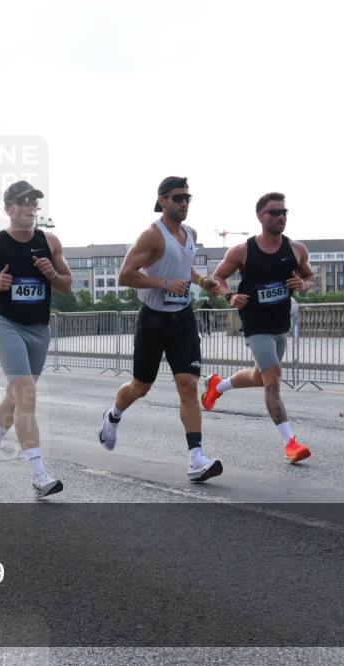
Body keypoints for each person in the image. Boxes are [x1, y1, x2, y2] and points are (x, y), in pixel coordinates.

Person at [98, 177, 223, 483]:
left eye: (188, 198)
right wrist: (164, 284)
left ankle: (196, 459)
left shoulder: (191, 234)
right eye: (178, 198)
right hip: (152, 319)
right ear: (162, 200)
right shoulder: (152, 236)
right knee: (141, 387)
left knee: (188, 385)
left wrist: (202, 281)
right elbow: (125, 276)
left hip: (182, 318)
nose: (184, 203)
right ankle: (113, 415)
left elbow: (183, 268)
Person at [0, 181, 73, 498]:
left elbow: (66, 285)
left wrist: (51, 273)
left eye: (34, 203)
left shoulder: (49, 242)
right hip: (7, 326)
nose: (30, 207)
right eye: (23, 202)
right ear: (8, 208)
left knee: (17, 394)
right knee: (27, 397)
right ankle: (39, 474)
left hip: (39, 330)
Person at [202, 192, 316, 464]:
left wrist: (303, 285)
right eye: (274, 213)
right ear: (260, 217)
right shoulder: (242, 251)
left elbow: (310, 277)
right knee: (273, 378)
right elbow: (217, 278)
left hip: (280, 322)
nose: (280, 217)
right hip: (255, 324)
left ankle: (218, 386)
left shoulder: (296, 249)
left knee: (259, 377)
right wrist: (230, 296)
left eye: (284, 212)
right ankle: (290, 442)